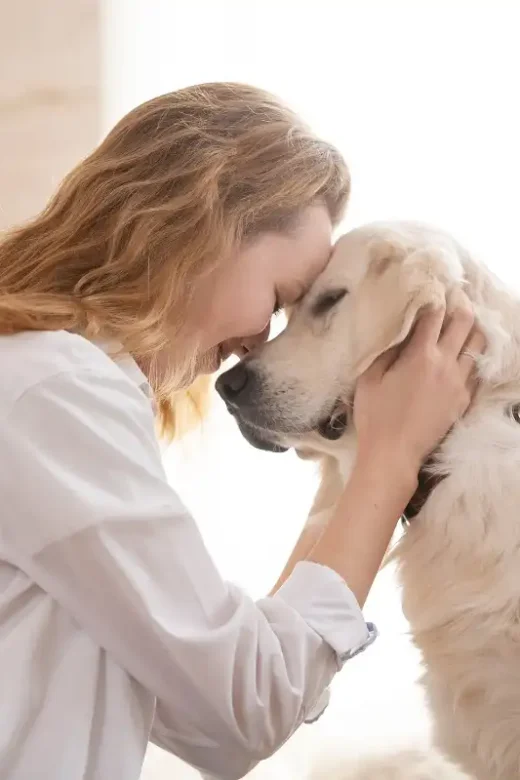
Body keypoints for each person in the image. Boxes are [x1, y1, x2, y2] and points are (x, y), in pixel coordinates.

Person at [0, 82, 484, 780]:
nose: (260, 340)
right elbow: (245, 705)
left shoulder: (46, 387)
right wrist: (391, 459)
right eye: (284, 299)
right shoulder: (55, 391)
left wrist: (353, 463)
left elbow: (217, 729)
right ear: (204, 222)